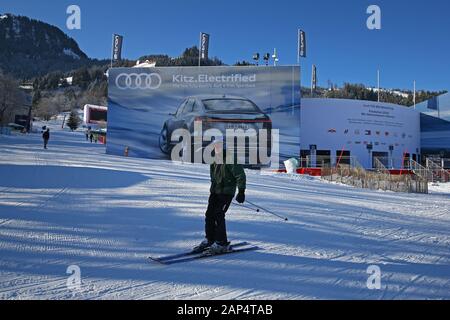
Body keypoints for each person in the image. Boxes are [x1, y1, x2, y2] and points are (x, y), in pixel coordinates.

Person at [193, 137, 246, 254]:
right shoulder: (214, 159)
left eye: (219, 145)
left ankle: (222, 243)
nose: (217, 148)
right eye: (215, 145)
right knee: (209, 214)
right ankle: (210, 239)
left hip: (226, 193)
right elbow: (213, 176)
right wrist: (213, 189)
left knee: (218, 214)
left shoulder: (230, 158)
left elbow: (240, 175)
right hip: (215, 192)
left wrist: (241, 191)